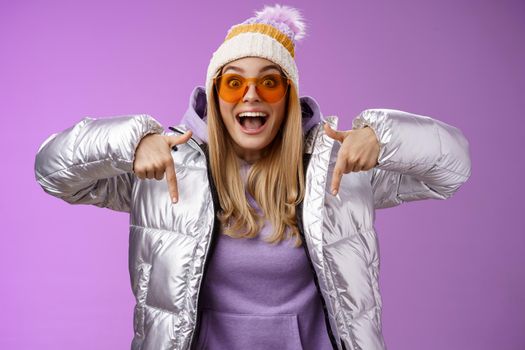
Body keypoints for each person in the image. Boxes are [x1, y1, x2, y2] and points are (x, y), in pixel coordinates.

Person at [34, 4, 471, 350]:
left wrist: (384, 135)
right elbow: (52, 171)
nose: (250, 95)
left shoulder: (335, 169)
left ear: (289, 97)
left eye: (270, 83)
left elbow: (451, 168)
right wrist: (132, 141)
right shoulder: (168, 168)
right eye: (232, 83)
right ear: (215, 95)